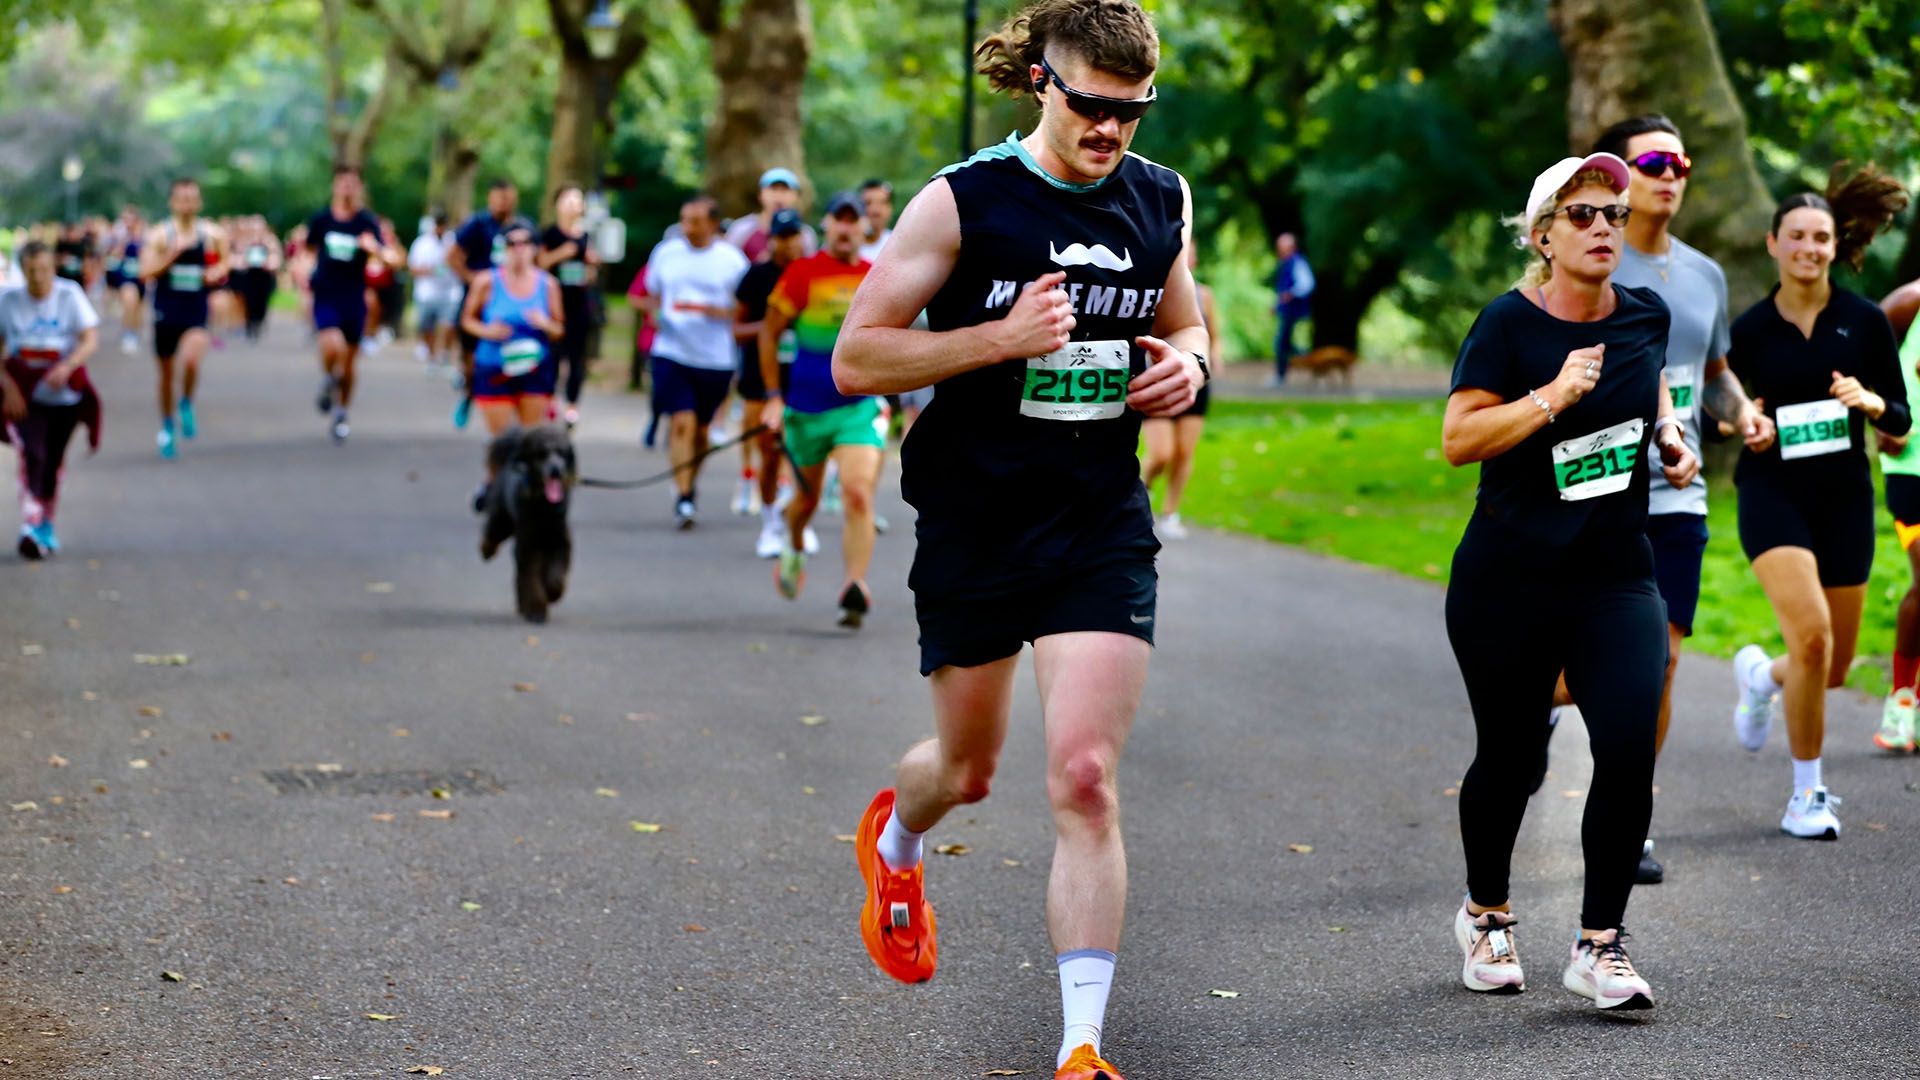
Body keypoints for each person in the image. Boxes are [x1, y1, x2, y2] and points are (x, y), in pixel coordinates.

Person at [832, 3, 1207, 1075]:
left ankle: (1080, 1048)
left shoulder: (1159, 197)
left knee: (1085, 776)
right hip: (976, 519)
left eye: (1133, 111)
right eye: (1092, 106)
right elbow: (858, 361)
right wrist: (999, 337)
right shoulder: (962, 202)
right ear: (1044, 81)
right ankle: (897, 838)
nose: (1112, 131)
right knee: (968, 767)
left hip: (1097, 518)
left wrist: (1191, 367)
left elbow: (1184, 319)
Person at [1442, 151, 1695, 1011]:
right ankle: (1487, 914)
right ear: (1543, 234)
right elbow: (1459, 439)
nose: (1602, 229)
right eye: (1582, 215)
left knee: (1627, 742)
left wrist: (1668, 435)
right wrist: (1549, 397)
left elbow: (1648, 382)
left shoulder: (1646, 316)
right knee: (1512, 761)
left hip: (1615, 574)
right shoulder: (1508, 325)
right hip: (1508, 578)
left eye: (1613, 216)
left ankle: (1600, 944)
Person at [1534, 115, 1776, 885]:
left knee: (1660, 662)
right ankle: (1537, 702)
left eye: (1680, 162)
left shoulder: (1704, 274)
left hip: (1679, 492)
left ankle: (1628, 811)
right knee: (1572, 661)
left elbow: (1714, 374)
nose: (1669, 174)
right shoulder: (1587, 257)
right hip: (1590, 488)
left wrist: (1743, 414)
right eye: (1653, 161)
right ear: (1617, 178)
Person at [1728, 165, 1911, 837]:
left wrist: (1869, 402)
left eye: (1821, 238)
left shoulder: (1863, 322)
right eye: (1797, 236)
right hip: (1772, 493)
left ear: (1837, 246)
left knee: (1828, 668)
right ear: (1774, 243)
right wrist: (1745, 422)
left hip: (1844, 499)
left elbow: (1901, 418)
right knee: (1810, 636)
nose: (1809, 247)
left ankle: (1760, 677)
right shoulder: (1747, 329)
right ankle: (1807, 795)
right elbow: (1725, 407)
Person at [761, 192, 882, 625]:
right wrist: (773, 397)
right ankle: (793, 543)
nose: (847, 228)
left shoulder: (876, 276)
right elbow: (768, 334)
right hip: (805, 409)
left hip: (857, 406)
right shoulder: (802, 273)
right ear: (827, 225)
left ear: (864, 229)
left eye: (855, 220)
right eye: (839, 219)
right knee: (805, 503)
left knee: (857, 492)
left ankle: (855, 587)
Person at [637, 196, 750, 529]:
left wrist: (719, 312)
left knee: (701, 431)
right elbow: (651, 295)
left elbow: (744, 308)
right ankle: (683, 497)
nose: (688, 227)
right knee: (681, 422)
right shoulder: (666, 253)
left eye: (695, 221)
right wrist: (655, 314)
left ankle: (689, 482)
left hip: (715, 357)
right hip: (672, 351)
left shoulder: (731, 260)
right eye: (684, 220)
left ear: (713, 224)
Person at [0, 241, 103, 559]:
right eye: (31, 271)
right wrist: (7, 386)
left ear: (52, 269)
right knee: (32, 454)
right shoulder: (9, 301)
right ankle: (30, 523)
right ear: (23, 270)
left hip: (64, 395)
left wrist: (68, 365)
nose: (38, 278)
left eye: (44, 270)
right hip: (25, 397)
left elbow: (90, 339)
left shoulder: (69, 294)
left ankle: (46, 522)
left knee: (53, 461)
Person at [732, 207, 814, 555]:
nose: (789, 244)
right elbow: (737, 329)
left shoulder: (812, 275)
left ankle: (798, 521)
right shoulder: (755, 276)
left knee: (804, 453)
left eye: (794, 235)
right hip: (761, 379)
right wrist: (771, 326)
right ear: (772, 240)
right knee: (768, 451)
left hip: (804, 377)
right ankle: (770, 523)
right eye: (782, 237)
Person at [305, 164, 400, 444]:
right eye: (342, 182)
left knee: (349, 364)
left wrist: (375, 250)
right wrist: (302, 269)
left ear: (359, 188)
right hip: (326, 293)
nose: (347, 188)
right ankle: (326, 379)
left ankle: (341, 411)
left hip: (354, 297)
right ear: (335, 186)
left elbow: (393, 259)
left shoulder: (366, 223)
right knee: (332, 344)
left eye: (353, 183)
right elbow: (307, 251)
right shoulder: (321, 220)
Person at [139, 178, 227, 459]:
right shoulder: (159, 235)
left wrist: (216, 273)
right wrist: (172, 255)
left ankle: (186, 400)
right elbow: (145, 272)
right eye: (182, 199)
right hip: (166, 310)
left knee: (190, 359)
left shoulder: (212, 234)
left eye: (192, 199)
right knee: (165, 376)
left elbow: (225, 262)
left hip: (195, 310)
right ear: (172, 202)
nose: (187, 204)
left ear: (199, 203)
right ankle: (166, 425)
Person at [462, 219, 564, 460]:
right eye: (512, 243)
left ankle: (527, 494)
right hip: (494, 367)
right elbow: (467, 320)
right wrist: (488, 331)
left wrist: (544, 323)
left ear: (535, 248)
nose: (519, 249)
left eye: (525, 242)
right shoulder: (486, 281)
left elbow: (559, 330)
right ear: (503, 248)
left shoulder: (548, 284)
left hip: (534, 370)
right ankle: (491, 490)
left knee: (531, 442)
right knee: (504, 443)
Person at [1139, 246, 1218, 539]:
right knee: (1161, 453)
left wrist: (1210, 361)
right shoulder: (1149, 286)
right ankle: (1141, 490)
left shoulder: (1205, 295)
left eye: (1192, 253)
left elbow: (1210, 334)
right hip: (1155, 376)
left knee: (1184, 452)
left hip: (1193, 379)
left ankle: (1171, 513)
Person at [1877, 277, 1920, 752]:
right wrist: (1882, 414)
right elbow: (1861, 346)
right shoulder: (1911, 300)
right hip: (1913, 467)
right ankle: (1901, 700)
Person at [449, 180, 530, 429]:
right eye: (499, 197)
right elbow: (452, 256)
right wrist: (471, 278)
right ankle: (470, 391)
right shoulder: (477, 224)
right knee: (473, 356)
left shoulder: (521, 228)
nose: (503, 202)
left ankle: (515, 402)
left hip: (512, 300)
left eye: (507, 197)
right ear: (490, 198)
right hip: (480, 299)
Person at [537, 185, 601, 428]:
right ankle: (550, 400)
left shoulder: (586, 236)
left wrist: (590, 268)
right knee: (552, 355)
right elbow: (540, 264)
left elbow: (592, 272)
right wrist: (562, 253)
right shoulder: (550, 234)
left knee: (576, 358)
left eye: (578, 200)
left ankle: (572, 406)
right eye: (569, 200)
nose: (574, 205)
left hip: (579, 305)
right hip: (552, 305)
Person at [724, 168, 818, 263]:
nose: (778, 196)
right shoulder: (741, 230)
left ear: (796, 196)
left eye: (784, 190)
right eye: (773, 189)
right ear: (760, 194)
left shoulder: (805, 235)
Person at [409, 213, 460, 369]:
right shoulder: (421, 243)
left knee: (449, 324)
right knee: (427, 327)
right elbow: (412, 267)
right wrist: (427, 271)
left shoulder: (453, 241)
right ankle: (431, 356)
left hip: (450, 291)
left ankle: (444, 354)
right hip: (426, 292)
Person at [1270, 231, 1313, 384]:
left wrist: (1292, 294)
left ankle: (1282, 374)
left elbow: (1306, 284)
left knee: (1282, 343)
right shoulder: (1286, 263)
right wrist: (1277, 305)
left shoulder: (1297, 262)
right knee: (1283, 343)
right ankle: (1297, 360)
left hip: (1295, 312)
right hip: (1287, 310)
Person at [233, 216, 282, 342]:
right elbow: (236, 258)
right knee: (249, 300)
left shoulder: (270, 241)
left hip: (264, 276)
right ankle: (249, 324)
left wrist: (269, 262)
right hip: (249, 275)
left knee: (262, 300)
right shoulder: (244, 241)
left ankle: (259, 321)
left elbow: (277, 258)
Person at [107, 206, 146, 355]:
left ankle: (134, 332)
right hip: (125, 276)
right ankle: (128, 334)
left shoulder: (144, 236)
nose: (128, 222)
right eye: (125, 219)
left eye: (131, 219)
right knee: (129, 302)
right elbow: (112, 255)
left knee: (138, 309)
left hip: (141, 277)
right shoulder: (119, 236)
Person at [859, 178, 895, 261]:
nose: (875, 210)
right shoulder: (842, 246)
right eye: (868, 203)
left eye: (882, 203)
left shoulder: (897, 245)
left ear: (890, 209)